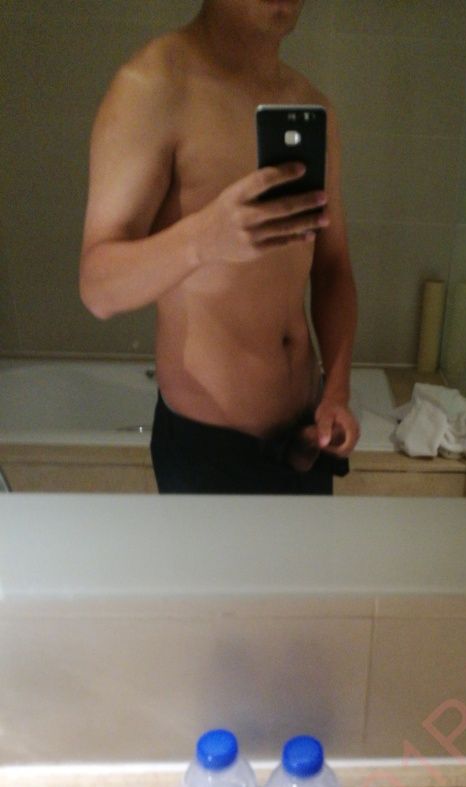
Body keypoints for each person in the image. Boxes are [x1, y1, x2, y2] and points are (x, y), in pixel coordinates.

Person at [79, 0, 359, 494]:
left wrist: (336, 392)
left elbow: (332, 267)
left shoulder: (311, 106)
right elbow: (98, 287)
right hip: (209, 452)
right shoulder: (153, 87)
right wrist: (204, 239)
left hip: (306, 436)